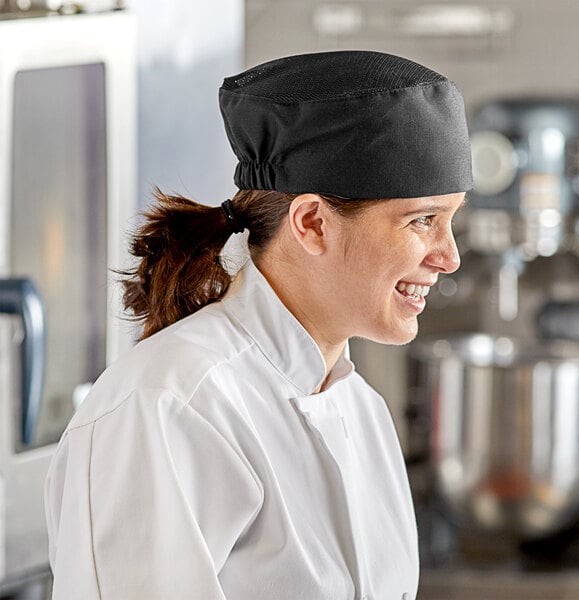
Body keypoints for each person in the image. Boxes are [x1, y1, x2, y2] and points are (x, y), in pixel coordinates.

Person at [44, 50, 472, 599]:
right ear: (313, 223)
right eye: (422, 221)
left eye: (450, 220)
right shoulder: (169, 408)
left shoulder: (360, 409)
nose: (449, 256)